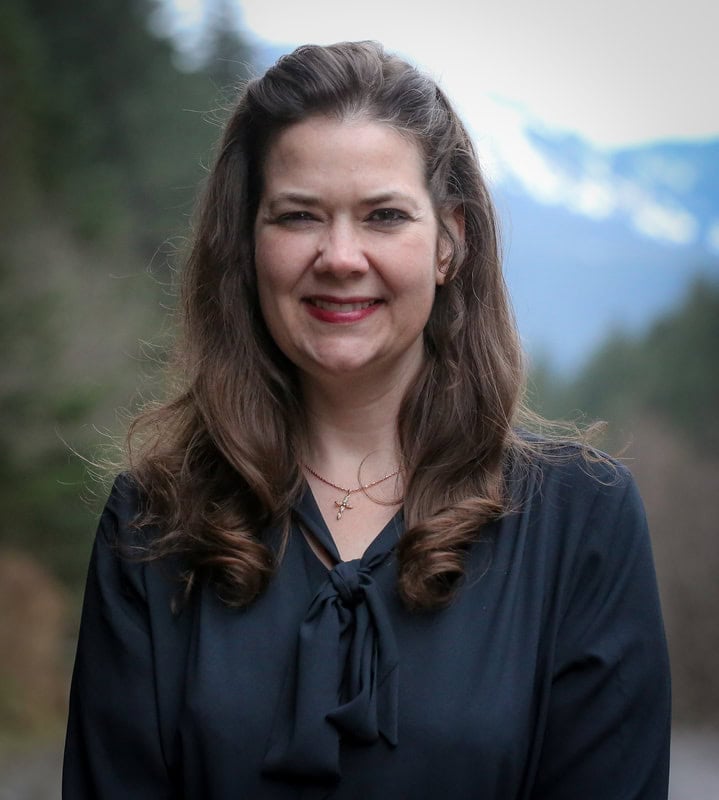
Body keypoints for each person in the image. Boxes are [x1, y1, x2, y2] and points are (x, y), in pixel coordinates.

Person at [62, 41, 670, 798]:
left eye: (383, 216)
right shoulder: (153, 523)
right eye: (298, 216)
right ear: (247, 245)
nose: (340, 255)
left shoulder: (582, 520)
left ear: (450, 241)